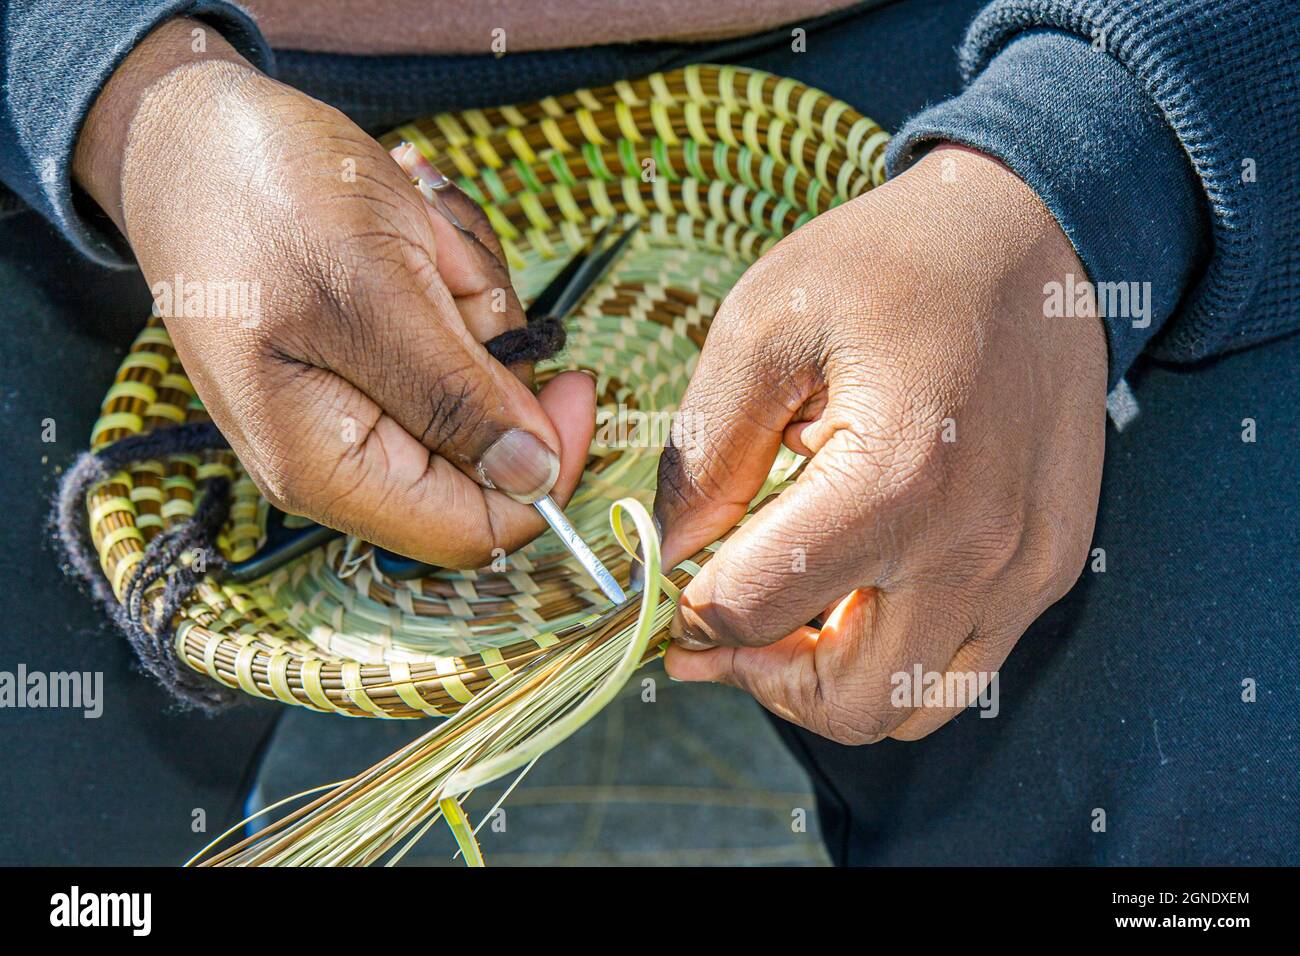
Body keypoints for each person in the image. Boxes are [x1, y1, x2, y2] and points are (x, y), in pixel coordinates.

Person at [1, 0, 1295, 865]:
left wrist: (1088, 160)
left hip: (968, 69)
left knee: (1223, 757)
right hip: (181, 113)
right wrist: (122, 95)